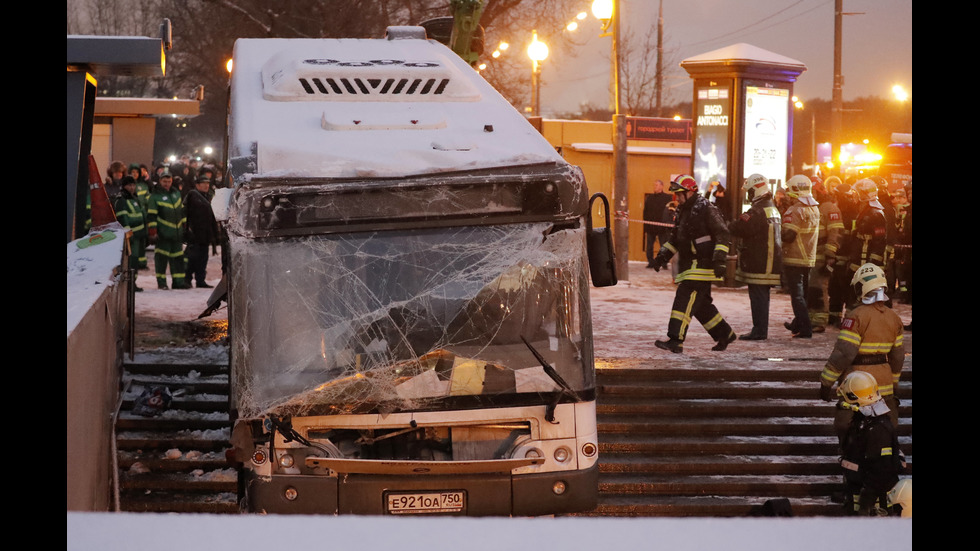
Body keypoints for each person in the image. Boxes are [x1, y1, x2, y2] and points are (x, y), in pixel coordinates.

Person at [649, 175, 736, 353]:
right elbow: (676, 238)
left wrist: (719, 260)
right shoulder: (683, 210)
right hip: (689, 265)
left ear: (690, 192)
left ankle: (675, 340)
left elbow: (723, 234)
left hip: (702, 266)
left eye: (680, 194)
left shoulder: (706, 208)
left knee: (684, 299)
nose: (677, 198)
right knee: (701, 306)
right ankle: (724, 334)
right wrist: (662, 257)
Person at [819, 263, 904, 443]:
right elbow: (898, 357)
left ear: (862, 287)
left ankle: (852, 464)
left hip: (857, 383)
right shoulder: (894, 318)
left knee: (847, 425)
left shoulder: (856, 316)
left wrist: (826, 382)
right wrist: (893, 382)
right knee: (886, 427)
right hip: (885, 383)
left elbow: (844, 354)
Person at [834, 371, 906, 516]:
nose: (843, 402)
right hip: (858, 497)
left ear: (856, 398)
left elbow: (881, 470)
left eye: (846, 398)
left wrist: (866, 503)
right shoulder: (864, 422)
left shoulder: (877, 429)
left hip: (875, 508)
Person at [730, 174, 782, 340]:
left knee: (758, 297)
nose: (748, 194)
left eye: (750, 191)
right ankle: (760, 329)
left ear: (757, 189)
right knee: (762, 297)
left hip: (760, 260)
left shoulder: (758, 209)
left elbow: (740, 227)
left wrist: (727, 225)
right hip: (768, 260)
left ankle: (759, 331)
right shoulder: (771, 206)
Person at [780, 175, 820, 338]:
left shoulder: (795, 210)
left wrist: (777, 230)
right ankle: (798, 324)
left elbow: (789, 236)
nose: (787, 193)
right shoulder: (814, 208)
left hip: (794, 257)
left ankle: (805, 328)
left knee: (797, 296)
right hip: (809, 257)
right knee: (803, 295)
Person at [840, 178, 888, 309]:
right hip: (858, 257)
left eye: (857, 193)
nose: (855, 196)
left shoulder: (876, 214)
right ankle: (852, 318)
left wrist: (872, 263)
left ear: (865, 194)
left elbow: (880, 240)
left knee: (861, 291)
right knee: (852, 289)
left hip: (865, 259)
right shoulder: (865, 210)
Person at [806, 179, 844, 332]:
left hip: (822, 255)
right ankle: (811, 318)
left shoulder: (829, 208)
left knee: (820, 287)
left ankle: (820, 321)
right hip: (812, 255)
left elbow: (835, 232)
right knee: (812, 288)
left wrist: (830, 254)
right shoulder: (815, 206)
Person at [146, 170, 189, 290]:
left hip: (177, 234)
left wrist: (185, 227)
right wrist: (153, 232)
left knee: (178, 259)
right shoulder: (154, 196)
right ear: (160, 181)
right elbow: (152, 216)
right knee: (161, 260)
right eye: (164, 181)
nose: (167, 183)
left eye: (169, 181)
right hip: (163, 234)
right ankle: (162, 282)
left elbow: (181, 212)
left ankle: (178, 282)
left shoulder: (176, 194)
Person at [183, 176, 220, 288]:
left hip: (205, 233)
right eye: (203, 183)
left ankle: (200, 280)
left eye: (207, 183)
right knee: (192, 258)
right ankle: (187, 279)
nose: (206, 185)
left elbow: (212, 217)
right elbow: (185, 213)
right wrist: (188, 229)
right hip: (195, 234)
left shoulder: (208, 197)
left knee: (203, 259)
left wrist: (215, 234)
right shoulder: (192, 195)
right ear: (197, 185)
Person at [112, 176, 147, 289]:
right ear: (124, 186)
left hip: (138, 236)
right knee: (130, 261)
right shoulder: (121, 199)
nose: (132, 188)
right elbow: (123, 218)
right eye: (129, 185)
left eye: (133, 185)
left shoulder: (134, 198)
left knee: (135, 261)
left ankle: (133, 283)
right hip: (130, 237)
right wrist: (128, 234)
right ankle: (129, 284)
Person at [643, 179, 673, 268]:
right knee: (649, 246)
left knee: (663, 245)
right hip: (650, 226)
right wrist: (645, 225)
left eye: (656, 185)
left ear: (661, 186)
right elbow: (646, 211)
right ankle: (650, 262)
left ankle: (663, 262)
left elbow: (670, 212)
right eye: (654, 185)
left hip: (662, 226)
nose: (654, 187)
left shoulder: (667, 198)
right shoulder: (650, 198)